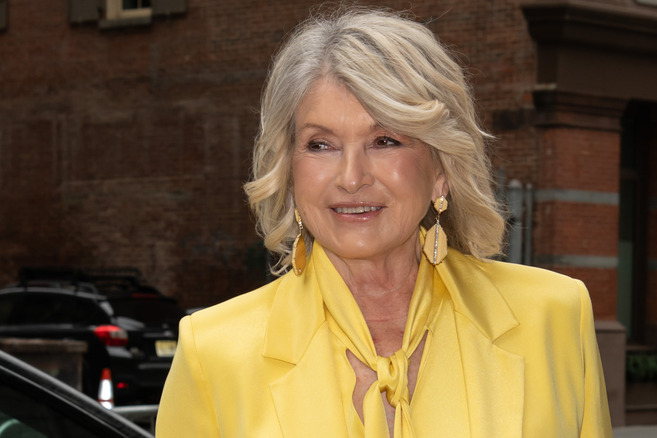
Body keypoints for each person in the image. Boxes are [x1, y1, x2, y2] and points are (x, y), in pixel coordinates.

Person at [156, 6, 613, 438]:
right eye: (320, 145)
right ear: (289, 171)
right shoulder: (212, 352)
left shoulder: (553, 315)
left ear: (440, 170)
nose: (351, 178)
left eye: (385, 140)